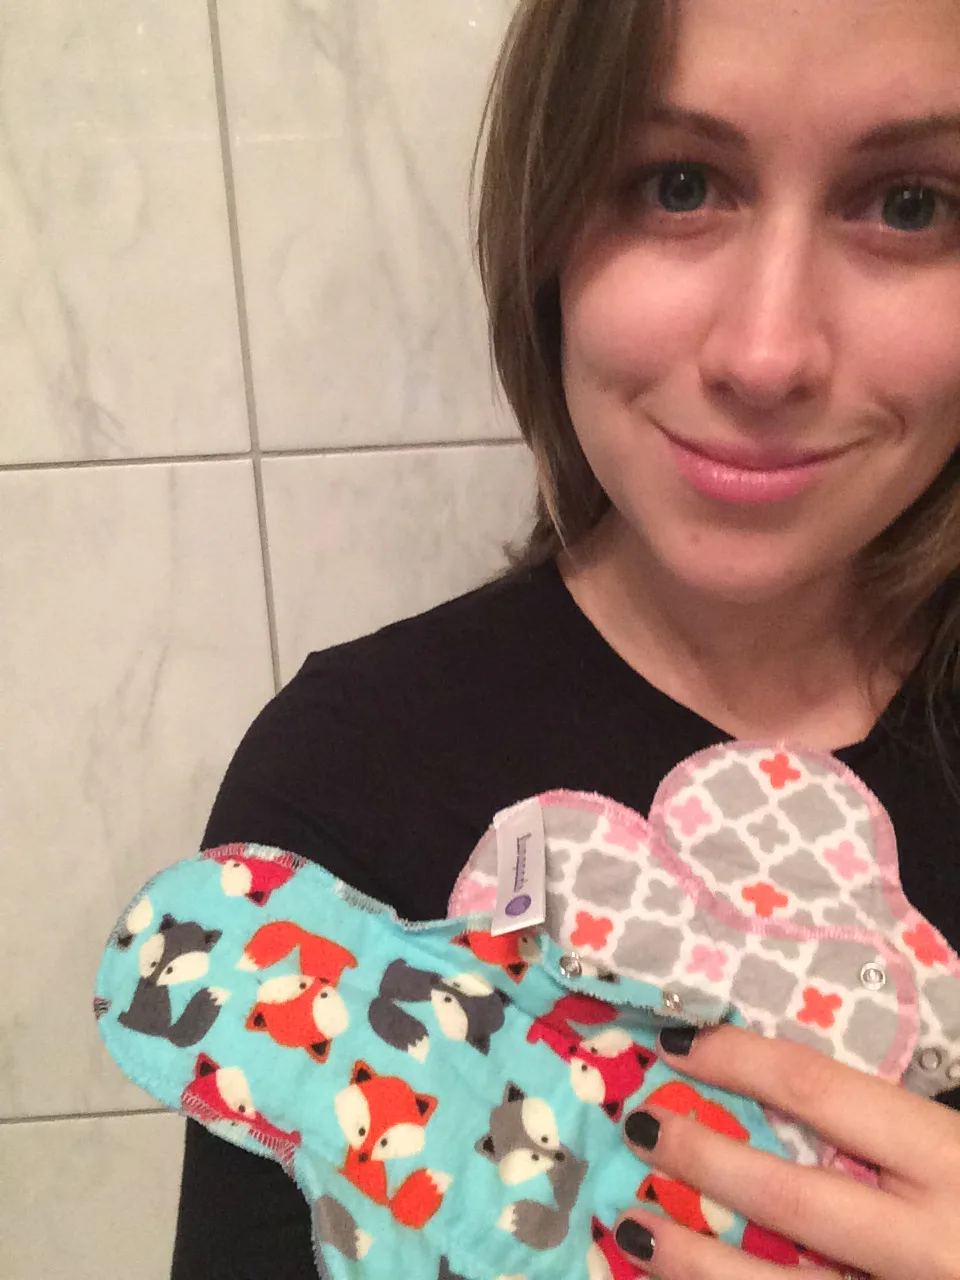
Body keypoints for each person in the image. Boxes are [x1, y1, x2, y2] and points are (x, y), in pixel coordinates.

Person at [171, 0, 960, 1276]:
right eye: (679, 183)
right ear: (545, 229)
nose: (767, 354)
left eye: (910, 205)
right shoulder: (343, 786)